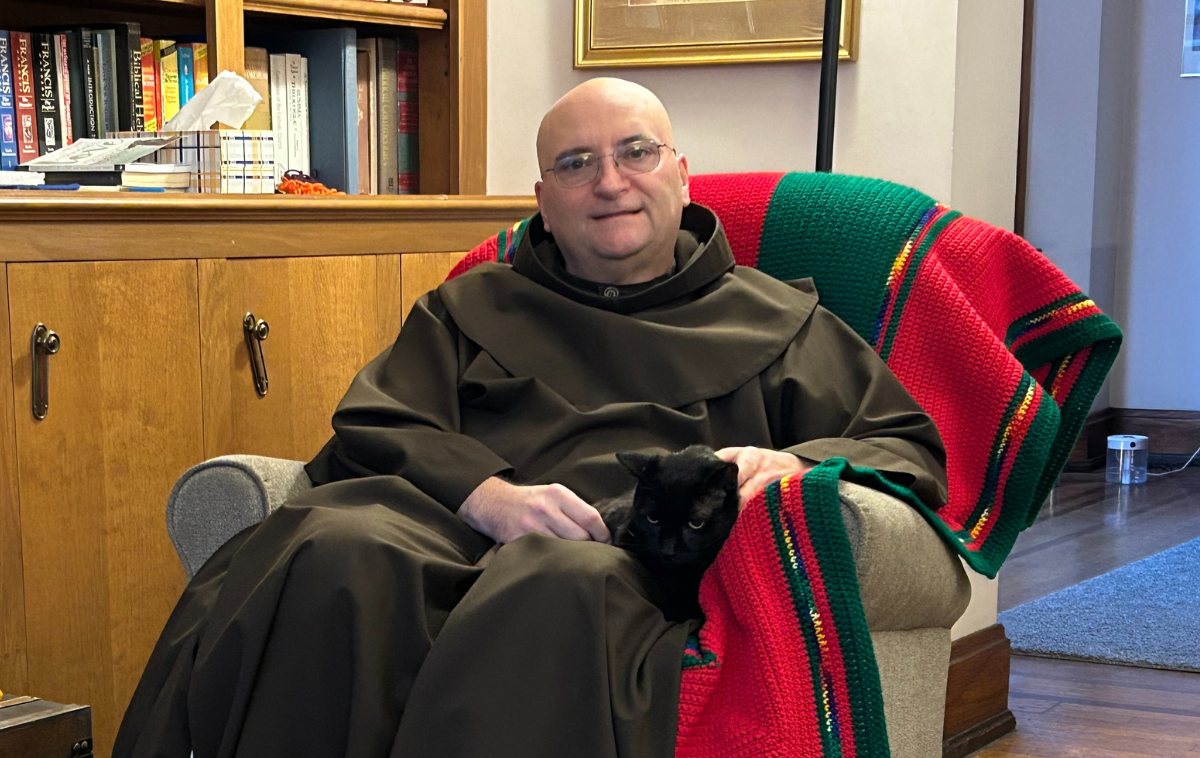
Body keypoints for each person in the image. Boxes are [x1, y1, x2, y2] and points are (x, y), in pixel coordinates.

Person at [115, 77, 947, 758]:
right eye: (577, 164)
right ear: (543, 199)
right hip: (450, 530)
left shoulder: (783, 322)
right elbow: (375, 419)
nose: (610, 182)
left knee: (553, 581)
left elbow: (905, 445)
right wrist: (485, 493)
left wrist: (797, 465)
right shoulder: (471, 305)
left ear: (683, 174)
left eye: (635, 153)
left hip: (616, 562)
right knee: (334, 546)